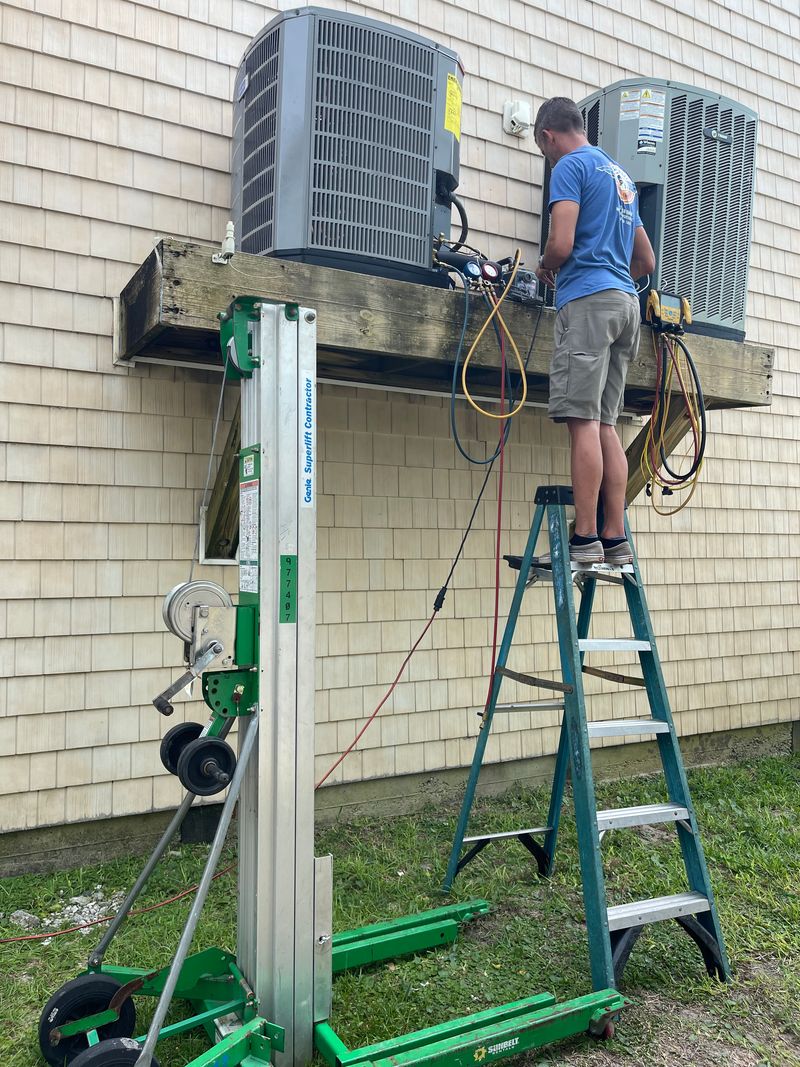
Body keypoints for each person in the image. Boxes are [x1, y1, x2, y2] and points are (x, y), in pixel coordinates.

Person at [533, 97, 656, 565]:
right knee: (606, 423)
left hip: (588, 303)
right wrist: (611, 268)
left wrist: (547, 267)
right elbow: (645, 261)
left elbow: (561, 243)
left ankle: (582, 540)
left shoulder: (569, 166)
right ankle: (613, 536)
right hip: (627, 305)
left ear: (548, 136)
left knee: (581, 420)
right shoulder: (620, 176)